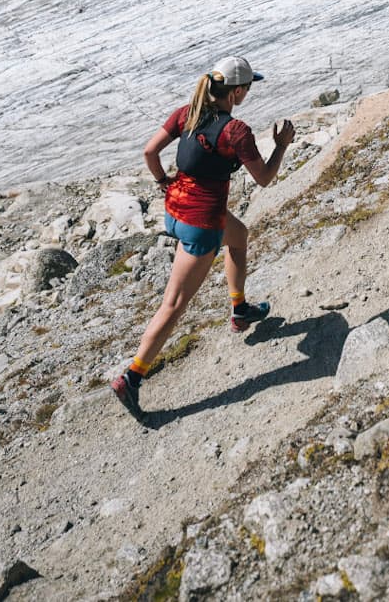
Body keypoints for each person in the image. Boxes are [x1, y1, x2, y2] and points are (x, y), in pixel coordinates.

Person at [110, 54, 295, 414]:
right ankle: (131, 377)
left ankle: (240, 309)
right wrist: (282, 144)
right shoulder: (235, 131)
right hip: (202, 223)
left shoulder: (186, 113)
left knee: (239, 237)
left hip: (176, 211)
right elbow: (265, 178)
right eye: (248, 87)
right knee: (174, 305)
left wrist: (164, 182)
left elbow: (150, 152)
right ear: (237, 91)